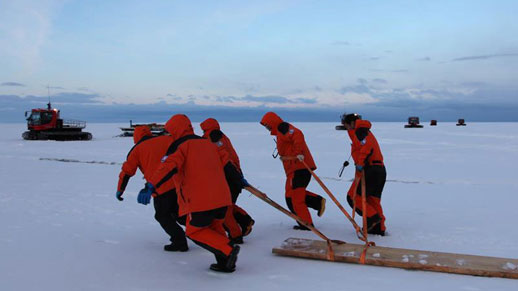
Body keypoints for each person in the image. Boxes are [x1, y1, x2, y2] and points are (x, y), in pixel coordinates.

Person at [146, 114, 241, 273]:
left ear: (175, 130)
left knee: (194, 230)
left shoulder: (180, 146)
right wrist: (239, 180)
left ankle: (228, 249)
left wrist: (151, 184)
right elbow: (227, 163)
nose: (169, 136)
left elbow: (168, 167)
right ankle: (225, 263)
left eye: (170, 132)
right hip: (222, 197)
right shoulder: (209, 143)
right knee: (215, 228)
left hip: (199, 200)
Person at [116, 126, 188, 251]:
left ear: (136, 137)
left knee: (162, 215)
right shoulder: (167, 139)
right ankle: (205, 232)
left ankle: (179, 241)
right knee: (180, 213)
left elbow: (126, 172)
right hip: (179, 184)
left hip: (159, 187)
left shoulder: (136, 150)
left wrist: (120, 190)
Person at [260, 112, 326, 230]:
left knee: (296, 198)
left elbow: (297, 135)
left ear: (272, 122)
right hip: (294, 169)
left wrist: (298, 153)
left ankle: (307, 224)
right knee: (290, 196)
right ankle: (316, 203)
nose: (267, 128)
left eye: (267, 125)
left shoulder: (283, 128)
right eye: (265, 126)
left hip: (299, 167)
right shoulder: (280, 131)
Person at [200, 118, 255, 244]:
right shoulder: (221, 136)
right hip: (234, 175)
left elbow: (222, 159)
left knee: (224, 209)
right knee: (227, 205)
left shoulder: (211, 137)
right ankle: (245, 220)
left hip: (227, 177)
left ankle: (235, 235)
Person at [341, 113, 387, 236]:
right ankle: (378, 228)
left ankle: (373, 218)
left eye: (346, 125)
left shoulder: (360, 130)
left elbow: (367, 147)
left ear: (351, 123)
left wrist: (360, 163)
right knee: (372, 200)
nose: (347, 129)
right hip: (379, 170)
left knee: (352, 197)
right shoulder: (363, 130)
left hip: (370, 169)